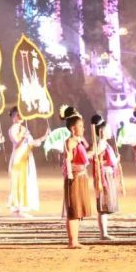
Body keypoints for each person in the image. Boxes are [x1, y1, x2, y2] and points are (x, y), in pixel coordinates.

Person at [59, 106, 93, 249]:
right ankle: (72, 241)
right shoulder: (70, 142)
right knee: (74, 209)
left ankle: (75, 241)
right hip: (74, 178)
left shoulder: (78, 141)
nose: (83, 128)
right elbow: (70, 162)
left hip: (81, 177)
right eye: (80, 126)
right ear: (73, 128)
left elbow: (83, 157)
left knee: (78, 209)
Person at [7, 107, 42, 216]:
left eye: (21, 114)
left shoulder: (24, 128)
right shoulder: (12, 129)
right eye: (18, 115)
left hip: (26, 156)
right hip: (18, 157)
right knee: (19, 182)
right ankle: (19, 208)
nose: (20, 116)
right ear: (13, 117)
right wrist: (23, 136)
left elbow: (31, 142)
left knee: (26, 181)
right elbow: (17, 143)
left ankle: (21, 208)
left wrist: (44, 137)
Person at [91, 114, 120, 241]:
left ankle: (105, 232)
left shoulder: (105, 143)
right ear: (102, 131)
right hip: (104, 176)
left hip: (108, 174)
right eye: (108, 129)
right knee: (103, 205)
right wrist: (115, 161)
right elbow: (97, 159)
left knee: (105, 204)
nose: (110, 132)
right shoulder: (101, 144)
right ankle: (103, 233)